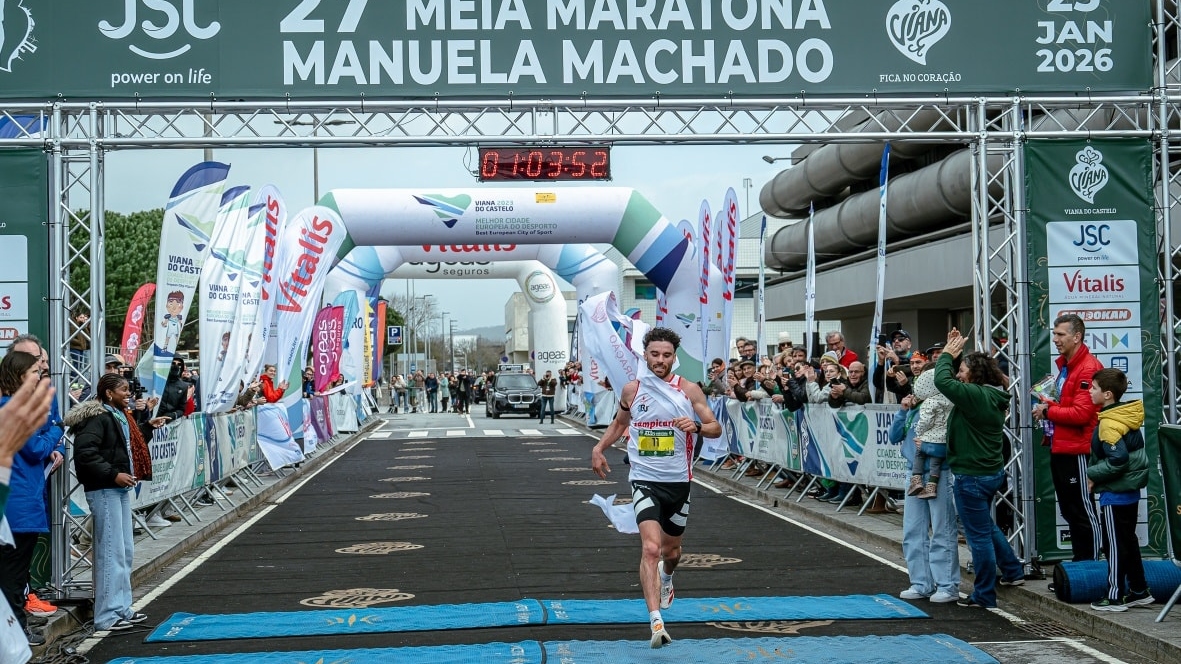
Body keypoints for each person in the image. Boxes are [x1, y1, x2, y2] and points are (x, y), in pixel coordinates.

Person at [590, 328, 721, 649]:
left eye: (666, 355)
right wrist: (599, 448)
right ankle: (656, 621)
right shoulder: (632, 390)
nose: (660, 360)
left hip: (678, 483)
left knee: (671, 552)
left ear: (674, 358)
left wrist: (698, 426)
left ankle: (667, 577)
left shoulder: (689, 390)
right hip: (644, 480)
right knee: (650, 548)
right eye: (654, 354)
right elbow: (620, 423)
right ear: (644, 355)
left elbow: (715, 428)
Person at [933, 328, 1024, 608]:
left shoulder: (975, 396)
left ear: (975, 375)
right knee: (986, 526)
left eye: (962, 370)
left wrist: (947, 354)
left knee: (978, 536)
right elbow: (951, 381)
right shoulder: (991, 394)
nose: (959, 374)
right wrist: (955, 353)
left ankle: (984, 594)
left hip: (971, 476)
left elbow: (942, 381)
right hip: (988, 473)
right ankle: (1013, 571)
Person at [64, 373, 150, 632]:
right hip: (104, 489)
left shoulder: (120, 416)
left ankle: (122, 608)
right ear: (108, 393)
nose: (129, 394)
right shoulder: (97, 418)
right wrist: (114, 474)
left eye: (129, 390)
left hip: (118, 488)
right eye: (123, 390)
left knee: (124, 551)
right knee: (110, 551)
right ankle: (107, 615)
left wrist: (150, 428)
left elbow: (122, 447)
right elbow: (85, 453)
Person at [0, 352, 65, 647]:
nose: (39, 377)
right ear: (19, 376)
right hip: (18, 504)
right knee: (13, 573)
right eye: (34, 373)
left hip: (19, 501)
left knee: (13, 572)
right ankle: (15, 634)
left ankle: (15, 631)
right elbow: (36, 449)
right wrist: (55, 430)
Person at [1032, 313, 1104, 562]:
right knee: (1070, 510)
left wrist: (1048, 410)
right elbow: (1068, 404)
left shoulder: (1088, 368)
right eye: (1054, 334)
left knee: (1082, 510)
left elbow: (1082, 414)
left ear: (1077, 336)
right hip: (1062, 446)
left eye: (1060, 334)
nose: (1055, 339)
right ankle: (1080, 566)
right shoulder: (1066, 366)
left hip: (1079, 450)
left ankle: (1092, 568)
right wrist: (1049, 406)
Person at [1085, 368, 1153, 612]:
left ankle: (1114, 596)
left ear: (1108, 394)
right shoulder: (1124, 416)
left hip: (1115, 493)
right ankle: (1139, 590)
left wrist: (1092, 475)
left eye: (1093, 388)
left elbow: (1118, 459)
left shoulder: (1108, 424)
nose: (1090, 392)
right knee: (1127, 541)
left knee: (1114, 544)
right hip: (1129, 491)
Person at [892, 384, 961, 605]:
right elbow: (894, 436)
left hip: (938, 473)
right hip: (913, 472)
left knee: (942, 528)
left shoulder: (945, 406)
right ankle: (921, 582)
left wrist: (928, 448)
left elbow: (947, 445)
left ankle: (947, 585)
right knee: (913, 529)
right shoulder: (913, 407)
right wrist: (902, 411)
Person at [908, 369, 952, 499]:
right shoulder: (949, 399)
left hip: (929, 436)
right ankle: (931, 486)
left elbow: (926, 420)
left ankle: (916, 480)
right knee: (935, 463)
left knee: (919, 454)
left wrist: (919, 432)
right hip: (943, 438)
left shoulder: (930, 401)